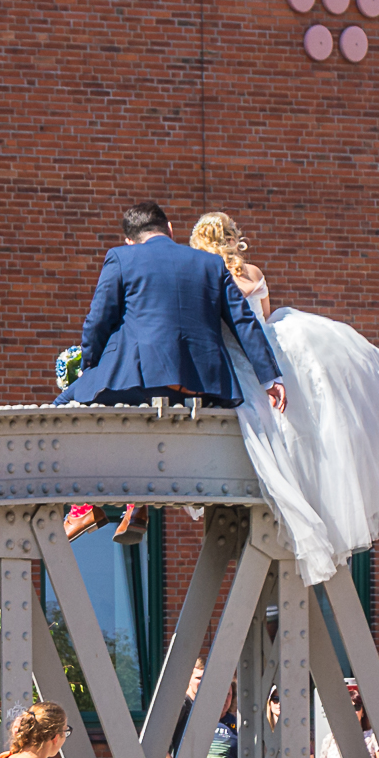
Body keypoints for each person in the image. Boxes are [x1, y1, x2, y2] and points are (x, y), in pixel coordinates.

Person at [190, 212, 379, 585]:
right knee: (308, 421)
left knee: (273, 434)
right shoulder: (254, 274)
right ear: (233, 239)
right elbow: (267, 317)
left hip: (241, 362)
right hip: (273, 352)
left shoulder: (207, 279)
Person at [54, 202, 287, 545]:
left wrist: (91, 368)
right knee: (143, 415)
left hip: (137, 379)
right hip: (199, 386)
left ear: (130, 240)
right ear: (171, 229)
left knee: (63, 406)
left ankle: (83, 507)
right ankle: (136, 503)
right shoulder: (210, 263)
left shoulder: (121, 258)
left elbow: (98, 323)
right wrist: (271, 378)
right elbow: (244, 322)